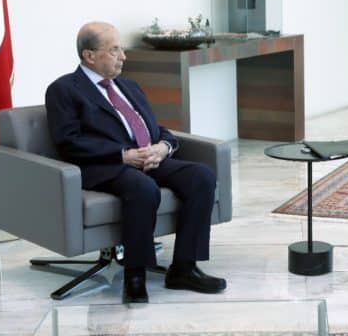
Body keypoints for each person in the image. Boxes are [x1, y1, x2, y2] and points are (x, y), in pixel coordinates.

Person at [45, 21, 226, 303]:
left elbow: (155, 128)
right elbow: (69, 141)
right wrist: (122, 155)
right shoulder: (64, 89)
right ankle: (135, 275)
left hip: (147, 158)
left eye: (122, 49)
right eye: (114, 50)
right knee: (143, 189)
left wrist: (163, 147)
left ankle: (183, 268)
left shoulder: (128, 86)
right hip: (106, 166)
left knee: (201, 177)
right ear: (89, 56)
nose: (123, 56)